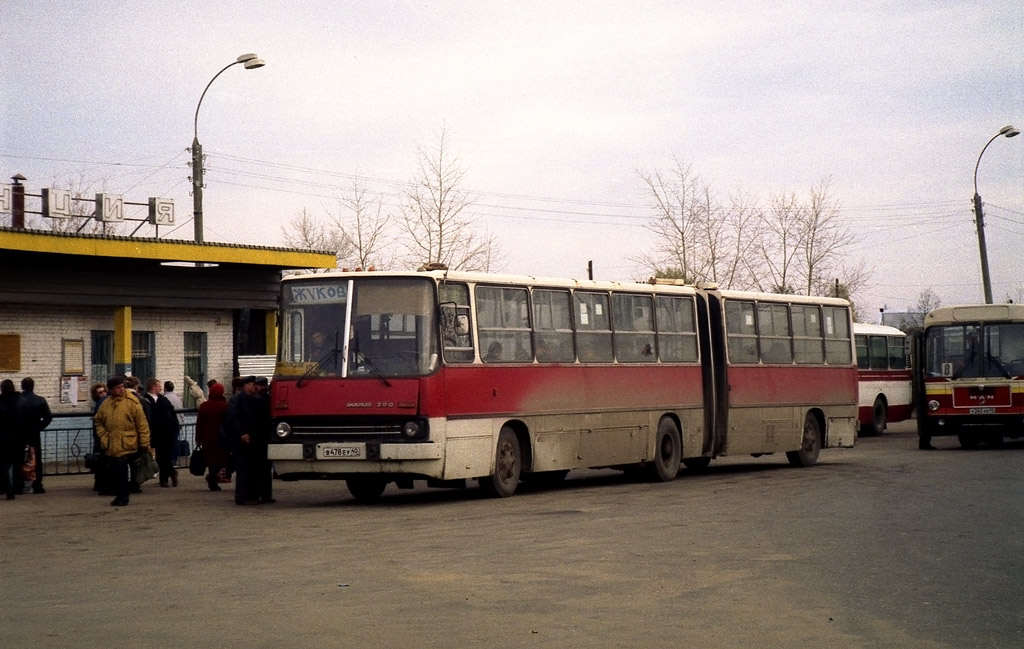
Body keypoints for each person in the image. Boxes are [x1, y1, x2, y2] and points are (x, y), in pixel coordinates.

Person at [94, 375, 151, 506]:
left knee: (123, 470)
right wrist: (103, 437)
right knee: (117, 470)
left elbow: (142, 424)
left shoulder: (132, 402)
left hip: (128, 442)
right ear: (111, 390)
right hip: (112, 442)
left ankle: (123, 496)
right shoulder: (106, 403)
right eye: (117, 388)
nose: (121, 390)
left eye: (122, 387)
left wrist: (144, 443)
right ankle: (121, 495)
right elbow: (98, 421)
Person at [223, 376, 273, 505]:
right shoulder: (237, 399)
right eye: (252, 384)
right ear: (246, 385)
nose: (255, 387)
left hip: (256, 438)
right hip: (242, 440)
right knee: (243, 469)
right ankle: (242, 497)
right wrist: (241, 433)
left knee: (254, 469)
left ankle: (253, 495)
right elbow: (231, 418)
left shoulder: (257, 399)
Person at [16, 377, 52, 494]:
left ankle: (19, 484)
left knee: (20, 458)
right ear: (33, 386)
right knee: (36, 458)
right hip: (34, 434)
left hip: (19, 434)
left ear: (22, 386)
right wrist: (39, 427)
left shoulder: (17, 400)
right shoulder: (40, 400)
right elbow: (48, 417)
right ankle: (37, 485)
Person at [195, 382, 230, 491]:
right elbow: (228, 422)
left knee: (210, 460)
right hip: (221, 436)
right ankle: (213, 478)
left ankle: (212, 480)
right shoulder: (225, 406)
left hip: (207, 436)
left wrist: (198, 438)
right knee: (222, 459)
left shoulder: (204, 406)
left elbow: (199, 423)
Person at [145, 378, 180, 488]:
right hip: (154, 432)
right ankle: (171, 472)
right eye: (159, 386)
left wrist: (173, 427)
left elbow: (171, 415)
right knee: (160, 456)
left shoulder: (163, 400)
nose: (161, 388)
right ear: (153, 387)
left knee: (164, 455)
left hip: (166, 432)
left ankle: (164, 478)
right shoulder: (146, 400)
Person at [0, 379, 24, 500]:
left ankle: (7, 489)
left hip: (3, 438)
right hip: (18, 437)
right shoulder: (20, 401)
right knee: (17, 463)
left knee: (4, 465)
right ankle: (17, 487)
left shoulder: (1, 402)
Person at [89, 382, 112, 494]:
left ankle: (99, 483)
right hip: (102, 436)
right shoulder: (102, 404)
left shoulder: (102, 403)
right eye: (100, 392)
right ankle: (101, 484)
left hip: (101, 436)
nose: (103, 394)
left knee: (101, 461)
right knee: (102, 461)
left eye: (104, 391)